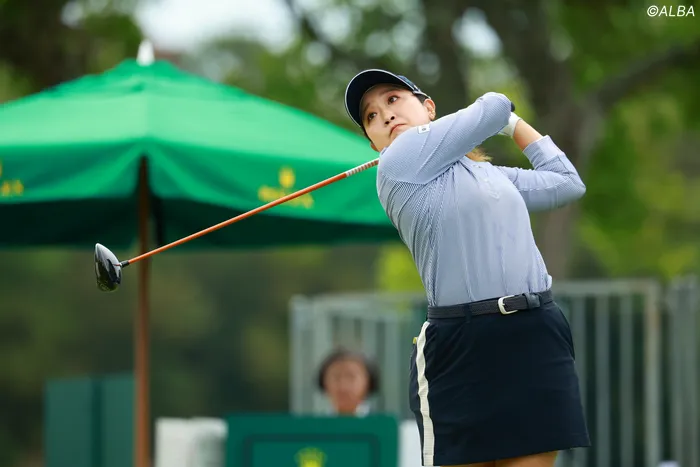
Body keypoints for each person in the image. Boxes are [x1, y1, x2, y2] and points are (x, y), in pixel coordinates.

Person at [343, 69, 590, 467]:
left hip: (534, 330)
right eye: (371, 116)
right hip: (462, 342)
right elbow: (494, 105)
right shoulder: (396, 164)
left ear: (429, 108)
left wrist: (515, 126)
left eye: (392, 100)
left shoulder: (489, 175)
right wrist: (503, 118)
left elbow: (566, 182)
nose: (385, 115)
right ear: (374, 144)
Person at [316, 348, 379, 416]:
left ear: (368, 382)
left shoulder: (379, 421)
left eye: (351, 377)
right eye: (336, 377)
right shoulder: (316, 422)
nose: (343, 385)